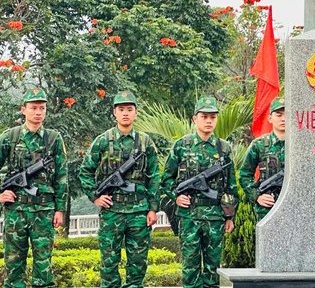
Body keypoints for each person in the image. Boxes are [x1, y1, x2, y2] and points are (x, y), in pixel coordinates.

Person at [78, 90, 160, 288]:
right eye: (121, 109)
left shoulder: (145, 142)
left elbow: (154, 176)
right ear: (114, 112)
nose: (125, 113)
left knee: (138, 265)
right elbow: (85, 171)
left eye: (129, 109)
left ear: (135, 113)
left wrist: (152, 208)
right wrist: (95, 197)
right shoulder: (103, 141)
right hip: (111, 212)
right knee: (108, 264)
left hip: (139, 212)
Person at [161, 96, 238, 288]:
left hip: (215, 217)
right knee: (190, 269)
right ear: (195, 119)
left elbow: (231, 186)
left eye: (213, 116)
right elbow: (166, 179)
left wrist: (229, 216)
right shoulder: (181, 146)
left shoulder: (223, 148)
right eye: (204, 116)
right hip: (189, 217)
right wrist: (176, 196)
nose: (209, 120)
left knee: (213, 270)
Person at [0, 88, 68, 288]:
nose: (38, 112)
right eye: (33, 108)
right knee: (13, 266)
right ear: (24, 110)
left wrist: (60, 209)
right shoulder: (9, 137)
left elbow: (62, 176)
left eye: (42, 108)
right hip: (15, 211)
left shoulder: (54, 139)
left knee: (43, 266)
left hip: (44, 211)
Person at [239, 97, 285, 221]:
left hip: (294, 208)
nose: (283, 119)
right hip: (268, 208)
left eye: (287, 114)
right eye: (279, 115)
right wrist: (257, 196)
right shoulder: (258, 145)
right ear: (270, 118)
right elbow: (244, 175)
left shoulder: (299, 145)